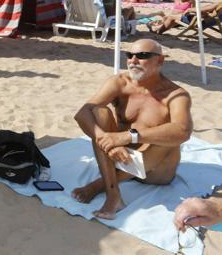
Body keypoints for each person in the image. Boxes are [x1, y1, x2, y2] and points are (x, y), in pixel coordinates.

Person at [72, 39, 193, 220]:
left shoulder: (175, 95)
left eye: (142, 56)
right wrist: (107, 140)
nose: (133, 60)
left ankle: (99, 185)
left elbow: (183, 131)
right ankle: (114, 195)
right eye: (130, 55)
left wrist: (127, 137)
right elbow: (82, 113)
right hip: (119, 156)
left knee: (169, 137)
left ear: (160, 61)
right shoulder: (120, 83)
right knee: (98, 112)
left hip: (155, 171)